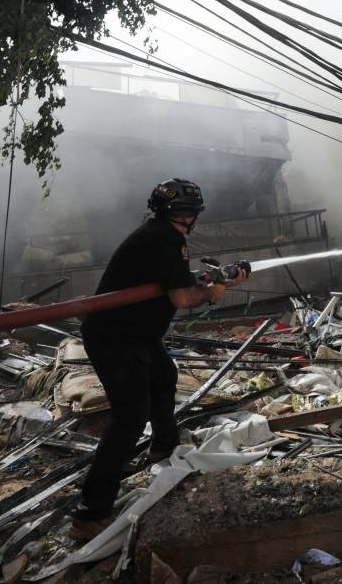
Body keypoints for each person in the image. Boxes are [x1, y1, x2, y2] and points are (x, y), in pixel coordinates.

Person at [70, 178, 248, 540]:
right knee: (130, 417)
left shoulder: (157, 234)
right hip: (116, 339)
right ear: (189, 215)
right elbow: (182, 297)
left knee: (164, 375)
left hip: (134, 334)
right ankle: (90, 512)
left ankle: (165, 445)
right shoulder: (167, 238)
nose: (190, 218)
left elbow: (175, 281)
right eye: (189, 212)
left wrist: (214, 279)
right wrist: (214, 293)